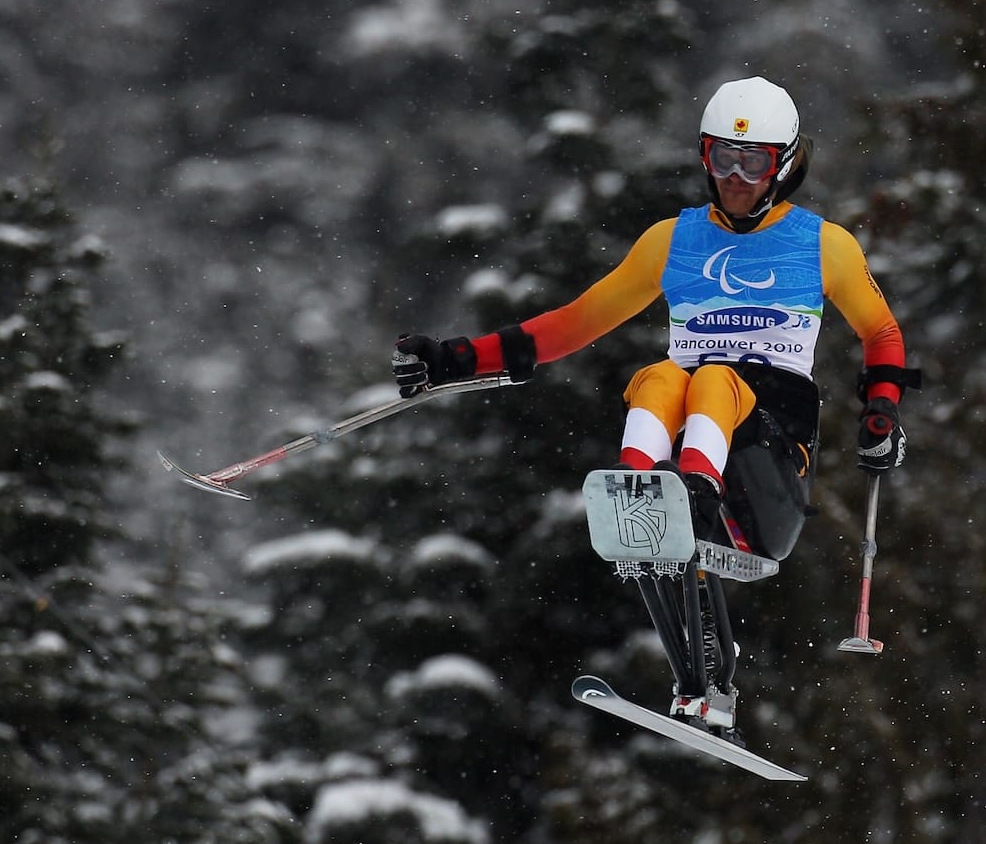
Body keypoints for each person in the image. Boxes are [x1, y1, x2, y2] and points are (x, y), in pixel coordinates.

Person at [393, 75, 921, 554]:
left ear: (782, 165)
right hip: (692, 428)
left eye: (753, 163)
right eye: (722, 158)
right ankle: (637, 494)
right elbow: (575, 322)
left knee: (714, 377)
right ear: (705, 157)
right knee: (658, 377)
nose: (735, 177)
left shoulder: (824, 245)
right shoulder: (670, 242)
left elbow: (880, 331)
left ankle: (697, 495)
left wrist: (882, 408)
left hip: (772, 461)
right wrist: (453, 359)